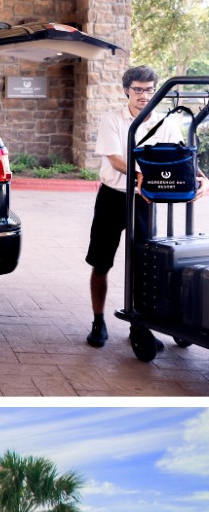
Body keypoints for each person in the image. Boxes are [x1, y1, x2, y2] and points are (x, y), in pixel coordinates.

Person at [85, 64, 207, 348]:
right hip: (113, 196)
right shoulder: (112, 119)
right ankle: (98, 320)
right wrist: (141, 175)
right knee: (101, 261)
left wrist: (202, 178)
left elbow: (182, 157)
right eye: (138, 90)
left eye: (149, 90)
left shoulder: (167, 122)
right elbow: (115, 158)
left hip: (144, 199)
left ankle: (139, 325)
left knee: (144, 262)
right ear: (126, 90)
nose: (143, 95)